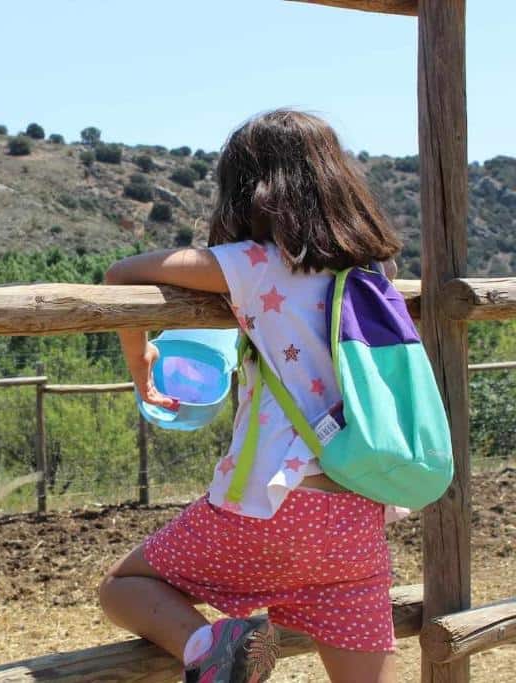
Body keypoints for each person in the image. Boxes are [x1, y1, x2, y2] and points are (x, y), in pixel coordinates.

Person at [98, 109, 403, 683]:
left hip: (267, 508)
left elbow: (122, 274)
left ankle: (212, 647)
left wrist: (141, 364)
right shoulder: (373, 271)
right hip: (358, 515)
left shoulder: (256, 265)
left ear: (249, 192)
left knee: (124, 587)